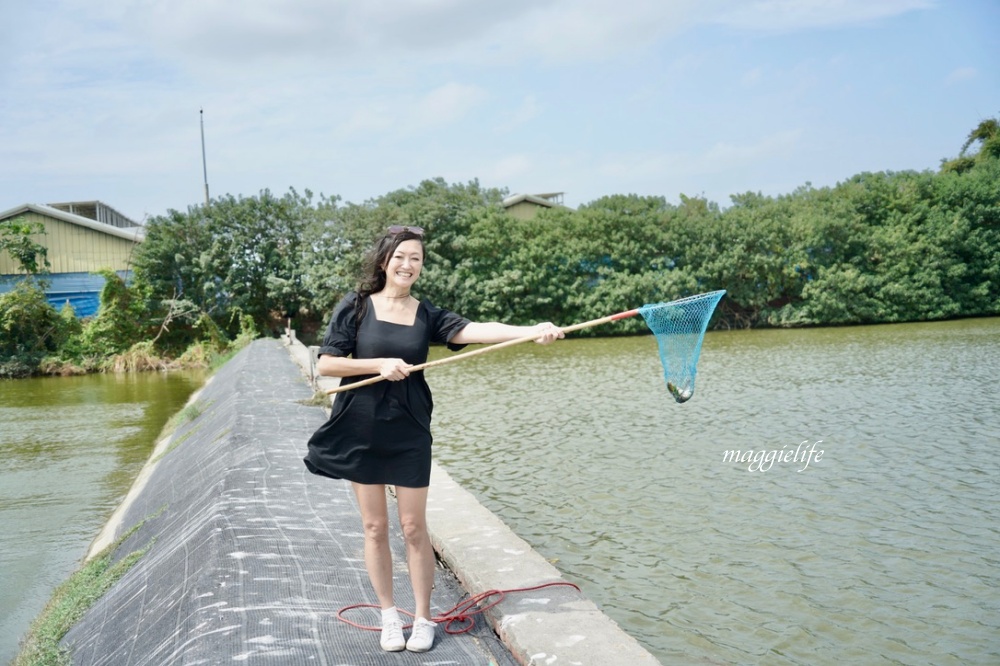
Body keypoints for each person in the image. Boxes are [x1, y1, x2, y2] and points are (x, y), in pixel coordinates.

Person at [304, 225, 563, 653]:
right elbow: (328, 365)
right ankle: (389, 616)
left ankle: (422, 618)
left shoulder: (427, 315)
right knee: (374, 526)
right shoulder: (355, 307)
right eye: (402, 256)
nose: (408, 265)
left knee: (412, 527)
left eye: (417, 259)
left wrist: (529, 330)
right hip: (361, 427)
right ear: (385, 260)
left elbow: (476, 330)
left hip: (408, 429)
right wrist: (379, 364)